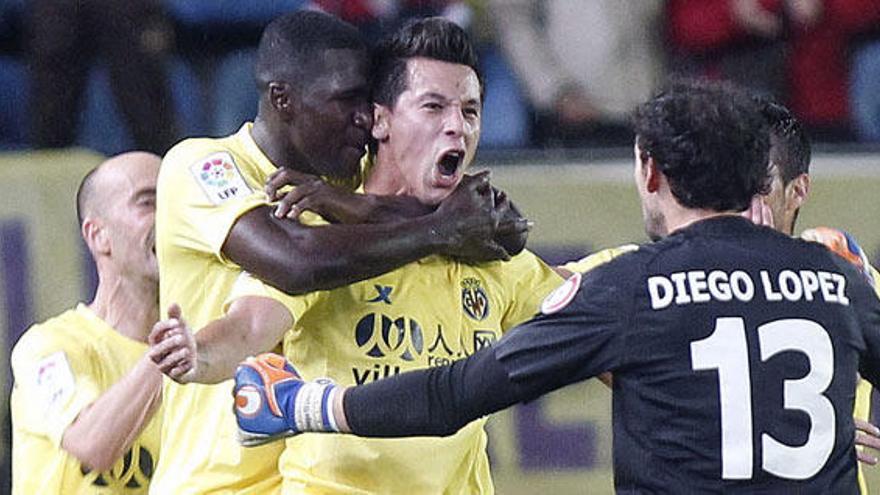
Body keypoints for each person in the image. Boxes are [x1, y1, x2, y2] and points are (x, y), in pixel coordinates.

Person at [236, 80, 880, 492]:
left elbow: (457, 393)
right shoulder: (837, 279)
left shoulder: (630, 289)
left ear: (650, 172)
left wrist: (302, 405)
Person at [150, 17, 561, 493]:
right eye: (347, 101)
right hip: (215, 478)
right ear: (284, 99)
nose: (365, 118)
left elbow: (459, 209)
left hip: (294, 468)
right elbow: (295, 262)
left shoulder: (346, 180)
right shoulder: (205, 166)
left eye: (368, 103)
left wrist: (465, 214)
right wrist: (443, 227)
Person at [10, 152, 163, 493]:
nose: (170, 216)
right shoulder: (47, 347)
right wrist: (169, 358)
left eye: (175, 200)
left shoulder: (210, 356)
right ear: (98, 236)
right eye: (148, 202)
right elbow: (92, 443)